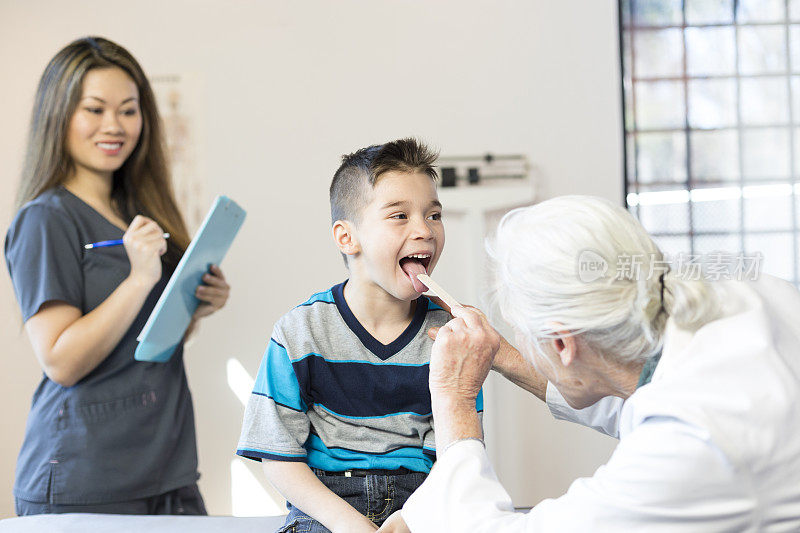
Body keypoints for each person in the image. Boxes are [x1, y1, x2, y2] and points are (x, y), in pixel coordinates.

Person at [385, 195, 800, 531]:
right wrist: (501, 354)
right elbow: (623, 381)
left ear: (563, 343)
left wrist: (456, 399)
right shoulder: (730, 293)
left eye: (525, 336)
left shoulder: (690, 448)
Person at [4, 37, 230, 516]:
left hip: (167, 467)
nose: (114, 126)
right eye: (95, 109)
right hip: (87, 476)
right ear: (58, 114)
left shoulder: (140, 212)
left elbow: (143, 342)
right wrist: (138, 279)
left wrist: (195, 302)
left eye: (128, 110)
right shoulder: (46, 219)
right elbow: (61, 362)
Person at [236, 138, 483, 533]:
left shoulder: (451, 339)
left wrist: (407, 518)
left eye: (434, 215)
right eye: (400, 216)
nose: (425, 230)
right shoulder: (299, 333)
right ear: (347, 237)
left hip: (422, 501)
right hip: (327, 504)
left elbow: (457, 456)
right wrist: (347, 523)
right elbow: (278, 454)